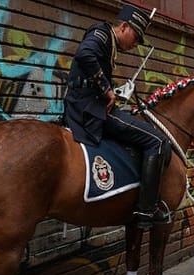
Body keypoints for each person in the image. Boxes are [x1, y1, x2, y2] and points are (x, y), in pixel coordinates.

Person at [64, 4, 171, 229]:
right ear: (123, 26)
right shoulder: (102, 34)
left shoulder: (108, 43)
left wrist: (118, 90)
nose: (135, 44)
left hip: (89, 104)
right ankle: (146, 210)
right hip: (91, 109)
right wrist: (106, 88)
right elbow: (84, 54)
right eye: (136, 36)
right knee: (158, 142)